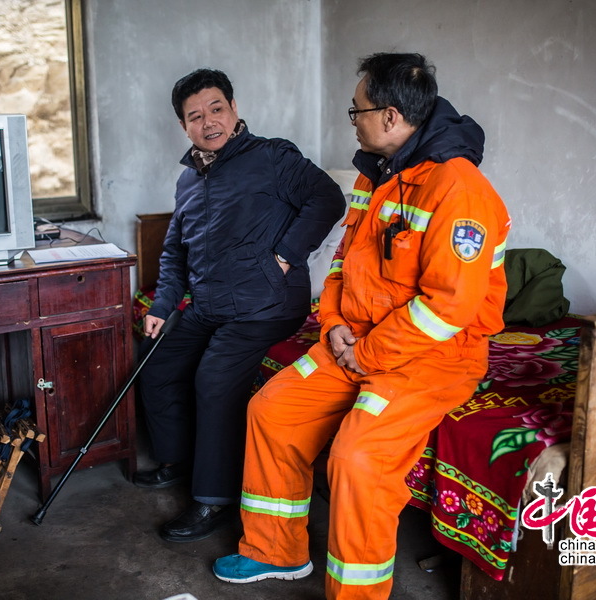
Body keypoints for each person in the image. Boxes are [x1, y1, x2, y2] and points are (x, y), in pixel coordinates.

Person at [212, 52, 512, 600]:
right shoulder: (376, 174)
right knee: (271, 410)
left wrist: (367, 353)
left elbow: (448, 309)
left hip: (432, 357)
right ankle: (275, 551)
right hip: (357, 340)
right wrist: (332, 326)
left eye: (358, 111)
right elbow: (344, 263)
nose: (353, 120)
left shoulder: (458, 190)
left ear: (390, 117)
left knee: (357, 458)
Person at [135, 68, 346, 543]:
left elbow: (328, 198)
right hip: (210, 303)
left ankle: (213, 498)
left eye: (216, 109)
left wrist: (285, 257)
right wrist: (162, 305)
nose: (208, 121)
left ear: (233, 109)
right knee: (158, 363)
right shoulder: (188, 181)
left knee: (214, 379)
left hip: (265, 303)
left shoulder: (271, 156)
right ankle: (177, 460)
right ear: (184, 126)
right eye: (195, 116)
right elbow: (174, 252)